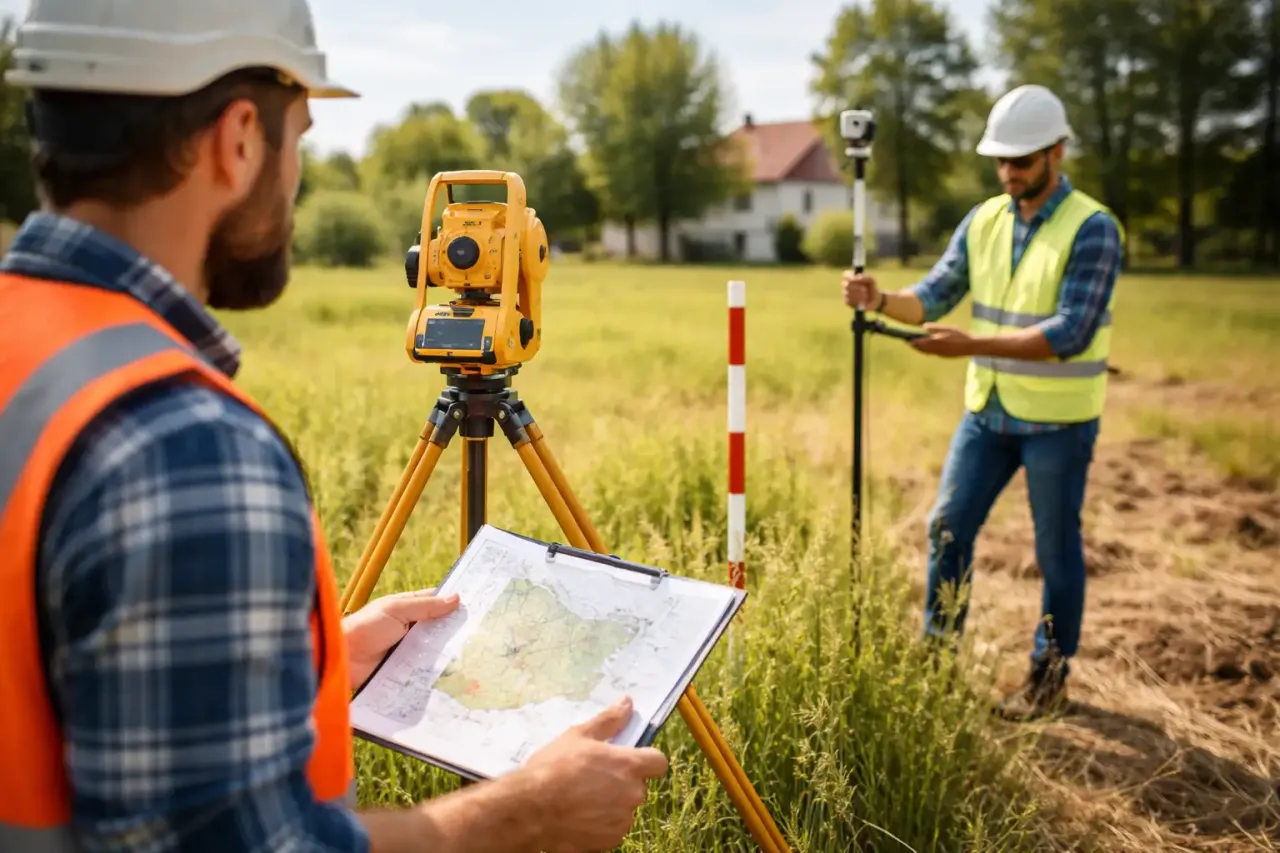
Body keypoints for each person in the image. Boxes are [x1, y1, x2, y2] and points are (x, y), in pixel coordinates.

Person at [0, 2, 667, 851]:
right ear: (240, 138)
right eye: (301, 135)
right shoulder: (179, 443)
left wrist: (310, 668)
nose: (297, 177)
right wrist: (525, 812)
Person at [841, 84, 1124, 721]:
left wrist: (969, 344)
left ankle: (1047, 680)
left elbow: (1071, 331)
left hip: (1058, 422)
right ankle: (937, 663)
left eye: (1021, 161)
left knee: (1054, 549)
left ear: (1057, 152)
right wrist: (882, 300)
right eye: (1001, 161)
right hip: (989, 414)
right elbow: (935, 295)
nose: (1008, 172)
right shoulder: (984, 220)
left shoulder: (1095, 229)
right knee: (947, 527)